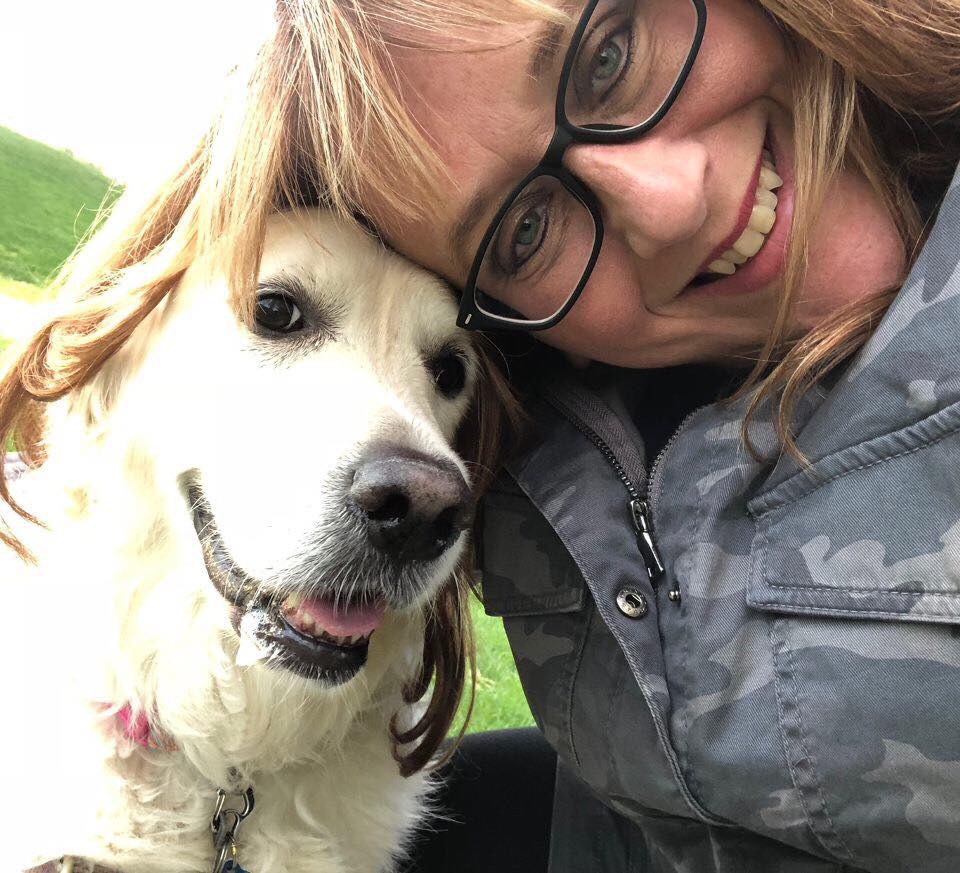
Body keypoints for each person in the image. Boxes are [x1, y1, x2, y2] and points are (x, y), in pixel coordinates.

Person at [3, 1, 955, 871]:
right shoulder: (595, 383)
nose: (669, 202)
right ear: (114, 373)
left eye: (609, 55)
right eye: (280, 314)